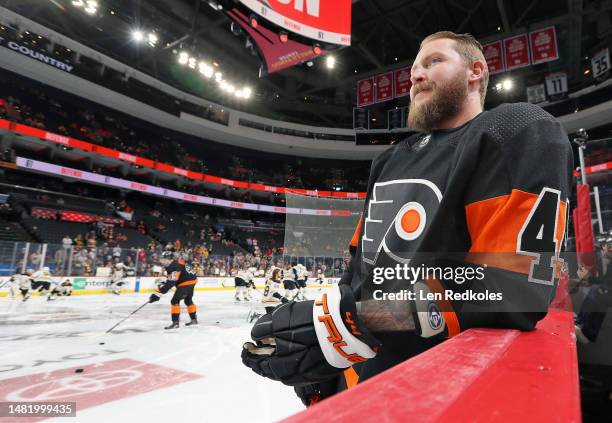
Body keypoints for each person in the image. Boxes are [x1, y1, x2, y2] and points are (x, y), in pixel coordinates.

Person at [241, 31, 573, 405]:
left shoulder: (514, 130)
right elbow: (359, 269)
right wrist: (336, 354)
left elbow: (509, 288)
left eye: (434, 62)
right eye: (414, 68)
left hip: (435, 391)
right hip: (364, 375)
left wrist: (356, 323)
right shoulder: (390, 159)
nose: (414, 75)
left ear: (475, 71)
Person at [149, 251, 198, 329]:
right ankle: (194, 320)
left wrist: (157, 294)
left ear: (168, 259)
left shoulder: (174, 266)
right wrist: (163, 287)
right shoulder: (175, 263)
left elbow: (171, 282)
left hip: (186, 283)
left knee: (174, 301)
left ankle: (175, 323)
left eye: (163, 259)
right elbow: (172, 279)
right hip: (192, 281)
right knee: (188, 301)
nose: (161, 260)